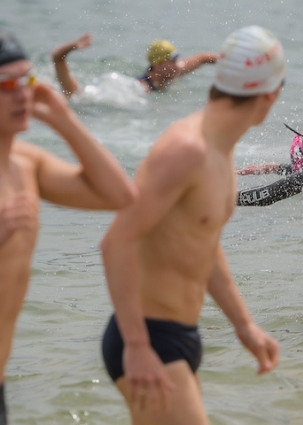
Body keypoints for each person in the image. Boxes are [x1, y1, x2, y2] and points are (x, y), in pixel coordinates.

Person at [100, 25, 285, 425]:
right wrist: (136, 346)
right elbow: (116, 242)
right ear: (271, 94)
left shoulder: (220, 150)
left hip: (180, 335)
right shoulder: (186, 149)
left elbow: (203, 243)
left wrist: (245, 326)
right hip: (147, 338)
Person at [0, 30, 136, 425]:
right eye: (7, 85)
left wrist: (65, 121)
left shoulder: (27, 165)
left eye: (26, 81)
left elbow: (119, 196)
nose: (22, 95)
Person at [52, 32, 219, 97]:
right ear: (159, 64)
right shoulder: (141, 88)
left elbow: (204, 58)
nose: (177, 65)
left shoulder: (172, 72)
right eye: (172, 61)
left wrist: (236, 60)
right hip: (112, 89)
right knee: (76, 95)